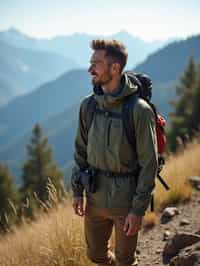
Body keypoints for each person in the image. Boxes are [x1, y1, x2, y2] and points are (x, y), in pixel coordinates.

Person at [71, 39, 158, 266]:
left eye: (96, 64)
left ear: (115, 68)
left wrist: (138, 210)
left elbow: (150, 164)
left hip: (126, 203)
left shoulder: (139, 111)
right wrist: (77, 191)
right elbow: (80, 151)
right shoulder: (88, 106)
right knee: (96, 255)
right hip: (95, 197)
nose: (90, 69)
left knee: (125, 259)